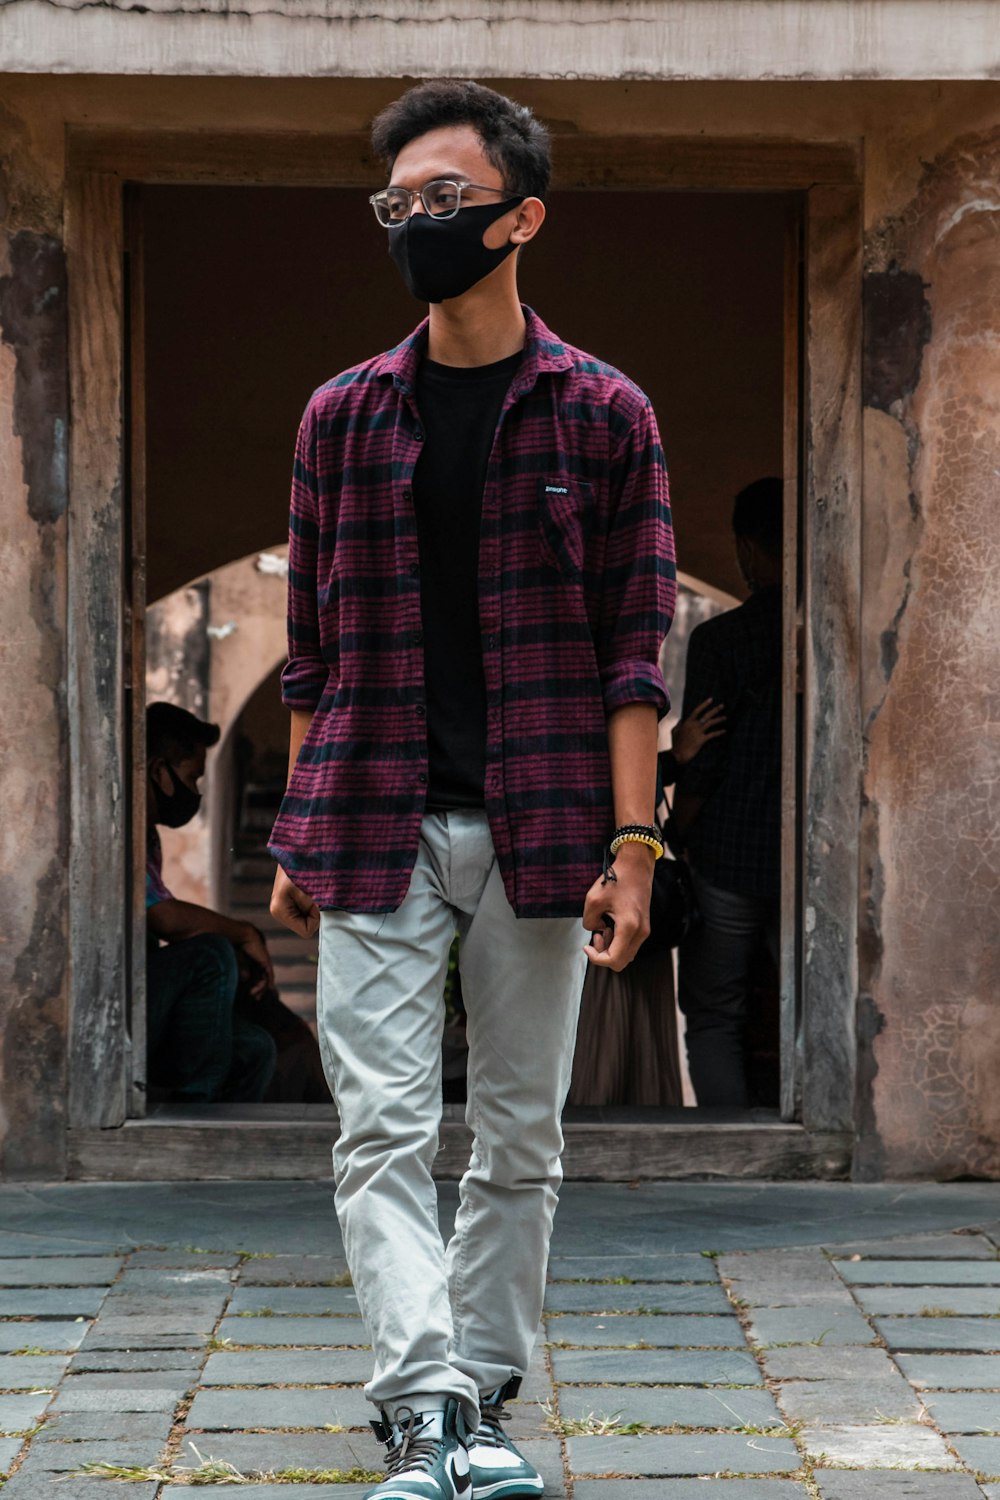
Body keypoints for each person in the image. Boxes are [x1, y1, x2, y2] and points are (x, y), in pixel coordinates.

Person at [267, 79, 675, 1500]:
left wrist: (635, 844)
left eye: (445, 199)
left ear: (520, 216)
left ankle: (483, 1396)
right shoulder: (341, 419)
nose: (418, 225)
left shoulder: (605, 414)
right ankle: (426, 1407)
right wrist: (301, 819)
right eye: (398, 205)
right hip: (374, 817)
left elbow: (637, 653)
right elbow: (312, 651)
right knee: (378, 1126)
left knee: (519, 1135)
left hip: (547, 825)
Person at [673, 477, 783, 1108]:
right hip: (808, 870)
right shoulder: (830, 630)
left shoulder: (722, 641)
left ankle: (728, 1136)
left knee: (715, 1016)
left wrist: (677, 834)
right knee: (808, 1007)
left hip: (729, 861)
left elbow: (703, 762)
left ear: (745, 548)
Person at [569, 697, 725, 1107]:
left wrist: (672, 758)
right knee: (606, 995)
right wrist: (672, 758)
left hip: (622, 880)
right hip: (608, 880)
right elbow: (621, 786)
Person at [145, 701, 276, 1103]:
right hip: (116, 1002)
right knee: (210, 955)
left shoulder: (148, 836)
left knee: (255, 1050)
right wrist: (243, 933)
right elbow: (164, 917)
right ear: (158, 771)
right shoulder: (123, 827)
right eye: (191, 777)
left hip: (147, 991)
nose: (195, 791)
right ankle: (196, 1107)